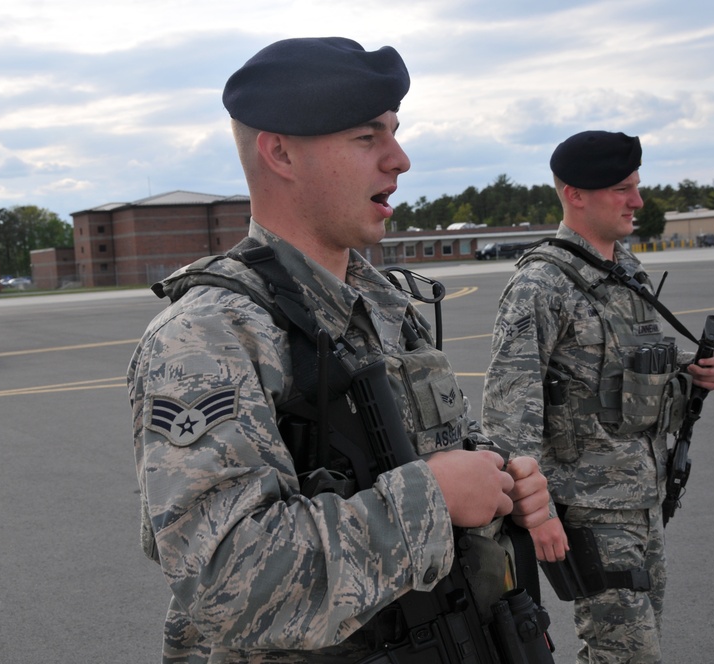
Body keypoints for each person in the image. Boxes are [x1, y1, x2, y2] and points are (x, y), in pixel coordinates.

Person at [127, 37, 552, 663]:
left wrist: (496, 474)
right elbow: (222, 584)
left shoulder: (383, 305)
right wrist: (432, 500)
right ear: (280, 153)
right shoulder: (210, 335)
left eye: (396, 133)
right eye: (367, 138)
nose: (400, 159)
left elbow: (429, 447)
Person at [482, 130, 714, 663]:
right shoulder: (542, 284)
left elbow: (624, 374)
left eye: (636, 186)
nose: (638, 201)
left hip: (642, 496)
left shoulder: (625, 271)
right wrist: (538, 511)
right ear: (575, 194)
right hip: (591, 508)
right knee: (627, 655)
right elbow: (508, 409)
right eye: (622, 188)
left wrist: (689, 376)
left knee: (634, 648)